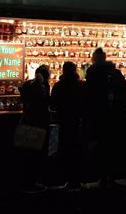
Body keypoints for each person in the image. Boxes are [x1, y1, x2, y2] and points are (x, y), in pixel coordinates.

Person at [85, 48, 126, 187]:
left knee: (100, 145)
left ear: (94, 58)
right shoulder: (115, 73)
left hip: (99, 116)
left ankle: (101, 176)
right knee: (113, 145)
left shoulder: (92, 73)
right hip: (115, 117)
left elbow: (89, 96)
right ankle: (113, 175)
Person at [50, 61, 86, 191]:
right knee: (77, 150)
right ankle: (77, 180)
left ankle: (65, 179)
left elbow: (52, 104)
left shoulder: (59, 86)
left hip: (64, 122)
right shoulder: (82, 85)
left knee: (65, 149)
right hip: (79, 122)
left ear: (63, 70)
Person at [18, 65, 51, 193]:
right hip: (39, 123)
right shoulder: (44, 87)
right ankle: (32, 183)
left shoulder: (27, 85)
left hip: (27, 121)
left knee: (27, 153)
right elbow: (47, 103)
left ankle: (25, 182)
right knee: (36, 155)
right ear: (47, 76)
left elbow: (23, 99)